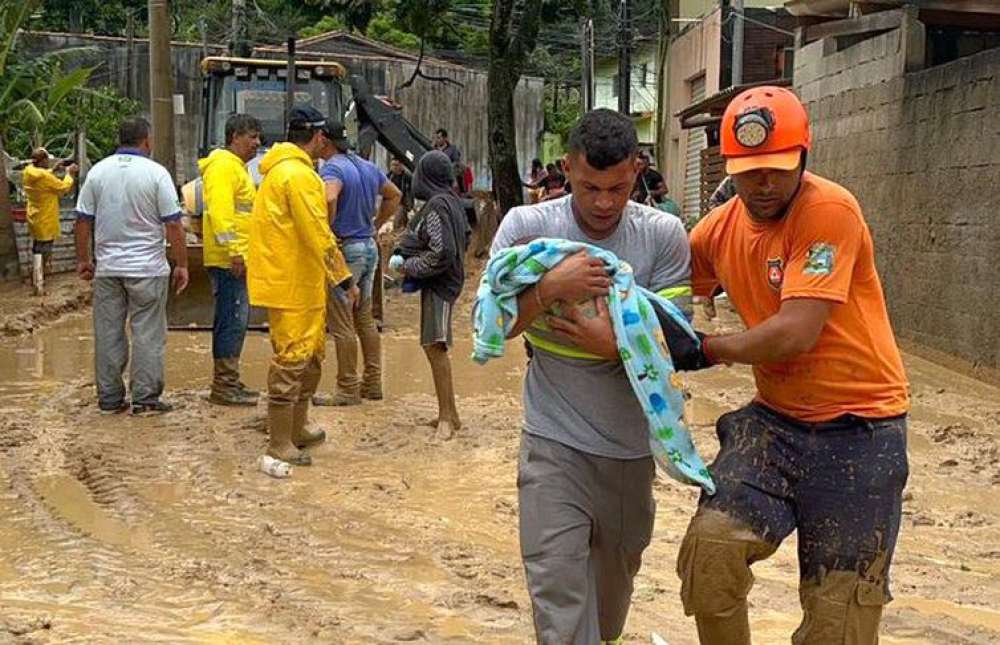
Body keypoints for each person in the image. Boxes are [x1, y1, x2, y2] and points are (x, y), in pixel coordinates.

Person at [675, 86, 909, 645]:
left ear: (804, 155)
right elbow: (665, 299)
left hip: (862, 431)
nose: (763, 183)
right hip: (775, 423)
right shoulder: (715, 232)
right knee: (710, 554)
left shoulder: (828, 211)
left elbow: (795, 333)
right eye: (749, 170)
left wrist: (708, 348)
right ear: (730, 166)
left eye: (777, 169)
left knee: (840, 621)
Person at [490, 108, 693, 644]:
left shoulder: (664, 235)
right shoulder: (529, 228)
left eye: (617, 188)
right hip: (552, 443)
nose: (603, 203)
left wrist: (617, 347)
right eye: (589, 188)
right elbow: (496, 323)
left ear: (638, 171)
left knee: (610, 603)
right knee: (559, 597)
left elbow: (680, 341)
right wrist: (550, 288)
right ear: (567, 170)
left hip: (630, 452)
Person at [247, 106, 355, 467]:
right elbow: (317, 231)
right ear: (319, 137)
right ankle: (280, 441)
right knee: (293, 360)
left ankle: (298, 426)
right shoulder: (300, 177)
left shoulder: (280, 172)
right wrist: (343, 276)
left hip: (293, 280)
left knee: (309, 356)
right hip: (294, 283)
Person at [73, 117, 189, 416]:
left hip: (108, 269)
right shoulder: (156, 174)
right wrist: (181, 264)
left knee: (108, 332)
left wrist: (84, 260)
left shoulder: (97, 173)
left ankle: (110, 400)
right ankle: (145, 400)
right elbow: (174, 224)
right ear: (146, 140)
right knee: (148, 334)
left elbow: (83, 221)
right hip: (148, 270)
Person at [311, 121, 401, 407]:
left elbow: (329, 197)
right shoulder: (366, 166)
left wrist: (329, 230)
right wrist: (376, 224)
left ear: (324, 140)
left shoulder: (333, 168)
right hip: (369, 247)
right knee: (364, 317)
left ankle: (347, 388)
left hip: (347, 249)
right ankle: (372, 383)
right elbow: (394, 195)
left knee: (341, 321)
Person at [388, 151, 470, 440]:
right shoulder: (453, 201)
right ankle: (449, 413)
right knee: (433, 345)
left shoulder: (437, 206)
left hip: (441, 283)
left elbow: (441, 250)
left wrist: (409, 266)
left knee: (435, 346)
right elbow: (463, 239)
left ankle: (448, 417)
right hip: (447, 280)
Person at [199, 113, 262, 407]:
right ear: (234, 136)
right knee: (232, 320)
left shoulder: (234, 168)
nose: (257, 143)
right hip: (229, 260)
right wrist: (235, 251)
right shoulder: (224, 167)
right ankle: (224, 386)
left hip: (235, 257)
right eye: (252, 137)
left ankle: (229, 380)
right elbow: (221, 214)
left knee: (235, 319)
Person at [23, 148, 78, 291]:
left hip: (34, 216)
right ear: (42, 161)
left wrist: (52, 169)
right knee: (45, 250)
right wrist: (69, 174)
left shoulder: (28, 172)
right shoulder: (45, 177)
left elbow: (41, 176)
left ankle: (36, 278)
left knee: (37, 248)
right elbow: (63, 188)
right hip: (46, 218)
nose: (49, 161)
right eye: (47, 159)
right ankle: (39, 282)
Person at [433, 127, 464, 192]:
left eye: (439, 138)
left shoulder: (452, 149)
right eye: (436, 138)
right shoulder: (433, 150)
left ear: (445, 138)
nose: (437, 140)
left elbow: (457, 163)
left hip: (448, 180)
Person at [387, 157, 413, 229]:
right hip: (391, 201)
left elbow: (411, 191)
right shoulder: (389, 176)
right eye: (393, 165)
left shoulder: (407, 177)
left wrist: (409, 205)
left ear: (401, 166)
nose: (394, 167)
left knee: (398, 222)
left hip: (402, 202)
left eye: (396, 165)